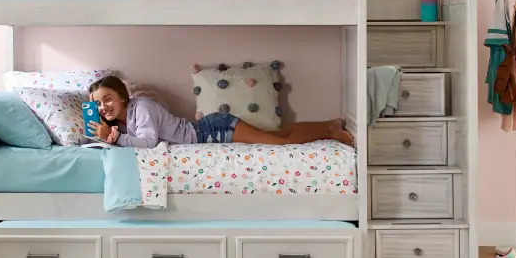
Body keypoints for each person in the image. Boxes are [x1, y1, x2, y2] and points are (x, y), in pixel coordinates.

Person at [86, 76, 353, 147]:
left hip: (213, 130)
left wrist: (115, 137)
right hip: (210, 130)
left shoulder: (141, 107)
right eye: (98, 103)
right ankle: (329, 124)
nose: (103, 107)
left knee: (280, 142)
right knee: (278, 134)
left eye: (107, 99)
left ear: (122, 96)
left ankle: (331, 132)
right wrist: (107, 135)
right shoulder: (121, 123)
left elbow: (147, 142)